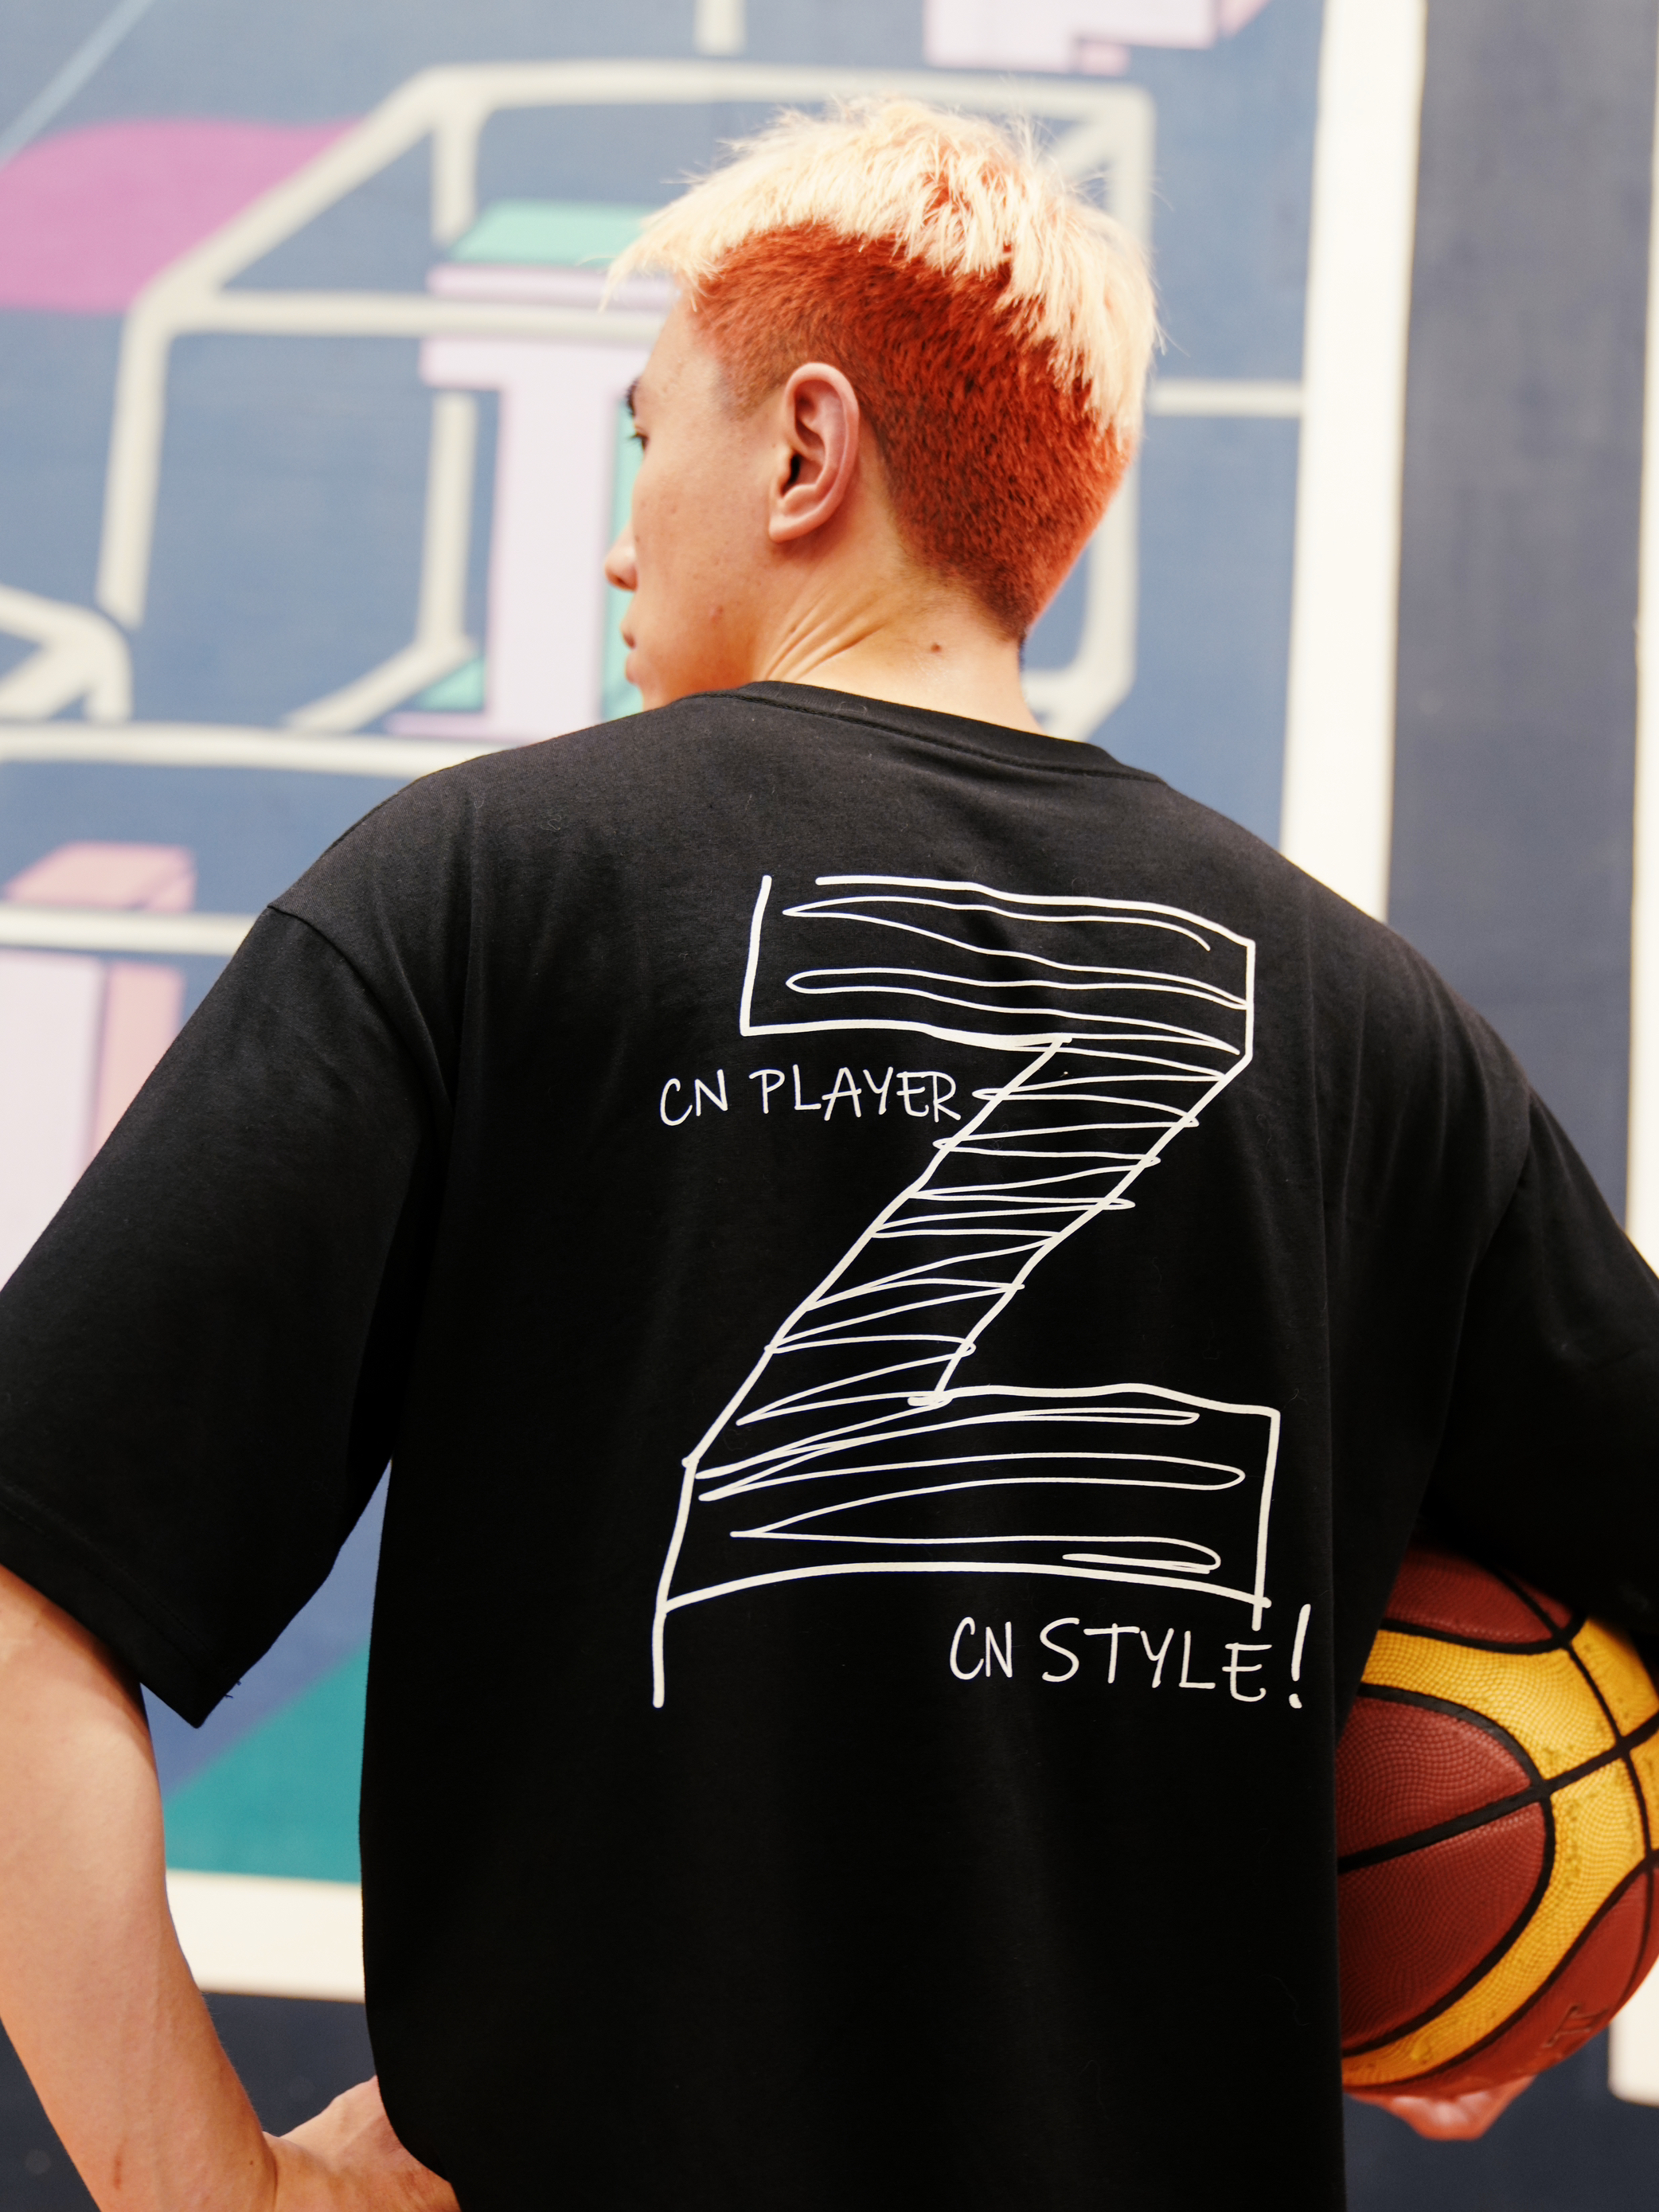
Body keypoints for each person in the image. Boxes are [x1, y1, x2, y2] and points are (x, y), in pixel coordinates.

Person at [0, 96, 1656, 2212]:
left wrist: (206, 2189)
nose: (620, 542)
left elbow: (22, 1596)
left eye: (643, 441)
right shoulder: (1378, 1035)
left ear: (803, 449)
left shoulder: (478, 894)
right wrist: (1533, 1928)